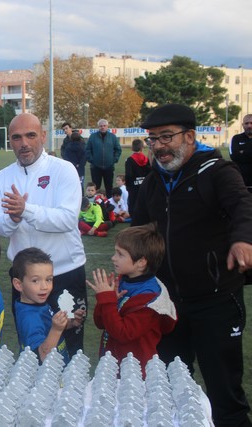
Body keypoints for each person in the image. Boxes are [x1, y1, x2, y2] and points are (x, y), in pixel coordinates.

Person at [133, 103, 252, 426]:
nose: (159, 146)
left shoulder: (218, 171)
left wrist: (243, 239)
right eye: (153, 139)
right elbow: (140, 229)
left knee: (224, 392)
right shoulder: (154, 181)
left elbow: (243, 205)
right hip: (166, 303)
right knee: (169, 388)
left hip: (215, 300)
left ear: (189, 136)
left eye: (166, 137)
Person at [0, 112, 87, 357]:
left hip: (64, 272)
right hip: (24, 278)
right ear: (10, 141)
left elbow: (67, 219)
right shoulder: (4, 177)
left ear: (43, 136)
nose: (24, 143)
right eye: (17, 137)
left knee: (70, 347)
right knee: (31, 349)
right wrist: (13, 220)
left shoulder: (63, 170)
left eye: (31, 135)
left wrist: (26, 210)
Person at [86, 224, 176, 376]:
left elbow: (123, 334)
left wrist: (107, 300)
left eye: (120, 254)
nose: (113, 258)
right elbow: (100, 323)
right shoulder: (122, 281)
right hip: (113, 364)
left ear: (141, 262)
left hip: (136, 373)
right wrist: (106, 299)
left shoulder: (150, 298)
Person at [11, 248, 85, 364]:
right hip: (44, 373)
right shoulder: (30, 318)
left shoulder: (37, 302)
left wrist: (70, 323)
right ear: (18, 284)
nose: (44, 286)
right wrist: (57, 329)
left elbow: (47, 327)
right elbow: (42, 354)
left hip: (55, 369)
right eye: (35, 281)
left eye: (49, 279)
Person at [85, 118, 121, 196]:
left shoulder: (112, 137)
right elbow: (87, 149)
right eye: (101, 126)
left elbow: (118, 150)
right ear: (98, 127)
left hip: (109, 166)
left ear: (107, 126)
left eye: (104, 126)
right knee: (96, 187)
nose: (103, 127)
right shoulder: (93, 137)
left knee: (109, 187)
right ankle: (96, 201)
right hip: (95, 167)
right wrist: (92, 160)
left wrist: (114, 160)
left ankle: (109, 201)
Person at [124, 139, 151, 214]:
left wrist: (128, 185)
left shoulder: (129, 160)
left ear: (132, 148)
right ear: (142, 148)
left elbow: (128, 175)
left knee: (133, 204)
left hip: (133, 186)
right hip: (144, 185)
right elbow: (149, 172)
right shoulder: (146, 159)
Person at [229, 114, 252, 192]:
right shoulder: (236, 138)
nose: (249, 126)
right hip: (241, 184)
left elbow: (240, 156)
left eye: (251, 123)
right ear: (243, 125)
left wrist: (243, 151)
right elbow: (234, 156)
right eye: (246, 123)